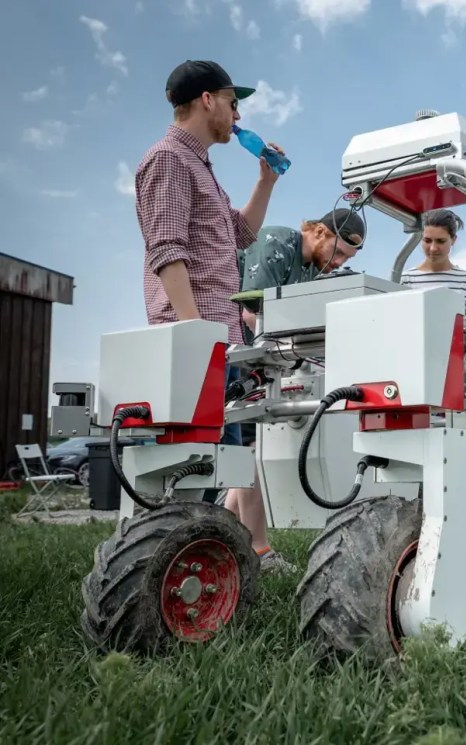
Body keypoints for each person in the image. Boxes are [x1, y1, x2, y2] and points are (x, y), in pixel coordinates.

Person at [136, 59, 284, 569]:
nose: (237, 114)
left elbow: (240, 235)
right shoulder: (169, 160)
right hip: (196, 341)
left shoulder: (201, 168)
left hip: (220, 342)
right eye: (232, 102)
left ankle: (217, 566)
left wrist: (266, 182)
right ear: (206, 100)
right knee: (193, 469)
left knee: (222, 464)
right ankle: (162, 570)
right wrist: (196, 333)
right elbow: (166, 249)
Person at [225, 208, 367, 572]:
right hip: (235, 350)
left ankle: (229, 540)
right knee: (244, 454)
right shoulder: (277, 241)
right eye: (338, 253)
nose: (338, 263)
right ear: (319, 232)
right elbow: (251, 313)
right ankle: (259, 551)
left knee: (242, 453)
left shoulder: (311, 269)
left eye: (346, 259)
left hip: (257, 358)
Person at [400, 209, 466, 319]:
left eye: (440, 241)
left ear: (453, 240)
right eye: (427, 240)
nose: (433, 248)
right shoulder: (406, 279)